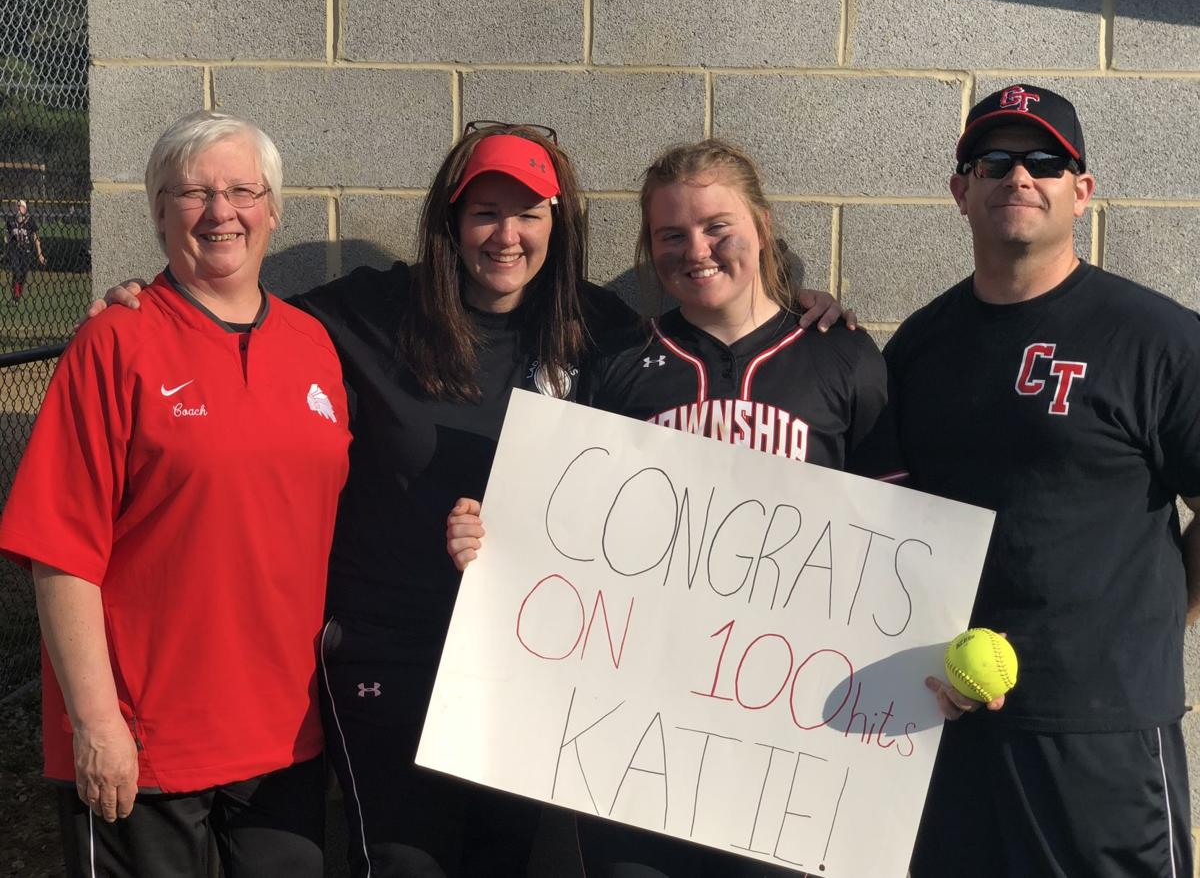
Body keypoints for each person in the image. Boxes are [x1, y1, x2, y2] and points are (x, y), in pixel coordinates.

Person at [92, 123, 852, 877]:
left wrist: (803, 307)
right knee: (403, 864)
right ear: (451, 223)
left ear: (559, 222)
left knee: (499, 862)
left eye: (528, 213)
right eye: (485, 212)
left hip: (524, 662)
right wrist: (151, 301)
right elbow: (236, 306)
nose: (507, 234)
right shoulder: (369, 312)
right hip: (390, 656)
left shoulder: (601, 333)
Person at [447, 138, 903, 877]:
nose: (697, 249)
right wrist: (492, 539)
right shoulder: (618, 364)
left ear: (760, 225)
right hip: (642, 740)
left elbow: (896, 550)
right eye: (671, 235)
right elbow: (565, 532)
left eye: (718, 226)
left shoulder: (842, 357)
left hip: (790, 740)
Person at [0, 110, 351, 876]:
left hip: (284, 735)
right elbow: (60, 550)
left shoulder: (313, 346)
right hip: (145, 739)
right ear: (159, 213)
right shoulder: (114, 343)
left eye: (241, 191)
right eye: (191, 193)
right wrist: (96, 723)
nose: (220, 211)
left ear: (273, 209)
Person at [886, 85, 1199, 877]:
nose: (1017, 176)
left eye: (1045, 161)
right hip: (946, 717)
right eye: (991, 161)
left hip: (1102, 732)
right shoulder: (920, 345)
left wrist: (1164, 617)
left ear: (1081, 192)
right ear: (961, 190)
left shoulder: (1158, 338)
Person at [5, 198, 46, 302]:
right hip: (14, 250)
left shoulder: (30, 221)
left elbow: (36, 238)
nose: (18, 208)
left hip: (26, 251)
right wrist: (7, 244)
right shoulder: (11, 220)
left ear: (25, 209)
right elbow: (7, 235)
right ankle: (16, 295)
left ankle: (16, 295)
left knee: (23, 274)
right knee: (17, 271)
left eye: (21, 206)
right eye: (17, 206)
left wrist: (40, 254)